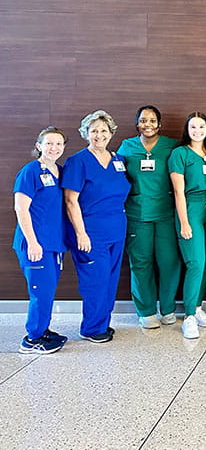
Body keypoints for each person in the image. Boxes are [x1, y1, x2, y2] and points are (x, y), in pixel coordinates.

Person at [63, 110, 132, 343]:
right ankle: (91, 328)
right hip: (90, 234)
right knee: (96, 280)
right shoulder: (77, 162)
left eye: (103, 130)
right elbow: (70, 201)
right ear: (85, 134)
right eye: (94, 131)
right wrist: (81, 234)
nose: (99, 135)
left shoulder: (118, 160)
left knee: (111, 279)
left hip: (116, 230)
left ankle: (102, 323)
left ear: (111, 133)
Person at [117, 105, 182, 329]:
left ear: (159, 124)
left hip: (165, 212)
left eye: (153, 120)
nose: (148, 125)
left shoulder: (171, 146)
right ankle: (146, 311)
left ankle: (167, 308)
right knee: (141, 262)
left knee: (169, 262)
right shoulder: (127, 147)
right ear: (137, 124)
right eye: (143, 120)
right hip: (138, 213)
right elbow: (117, 176)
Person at [14, 127, 69, 353]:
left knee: (47, 289)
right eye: (48, 143)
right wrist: (33, 242)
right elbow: (21, 208)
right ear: (39, 146)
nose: (53, 148)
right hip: (35, 244)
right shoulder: (30, 172)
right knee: (40, 290)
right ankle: (32, 338)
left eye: (58, 144)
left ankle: (42, 329)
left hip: (53, 243)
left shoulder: (61, 171)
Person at [169, 112, 206, 339]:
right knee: (195, 263)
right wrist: (185, 222)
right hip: (190, 210)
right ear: (187, 130)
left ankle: (197, 307)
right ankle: (188, 316)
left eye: (201, 126)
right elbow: (178, 191)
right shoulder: (180, 154)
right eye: (193, 127)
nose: (197, 131)